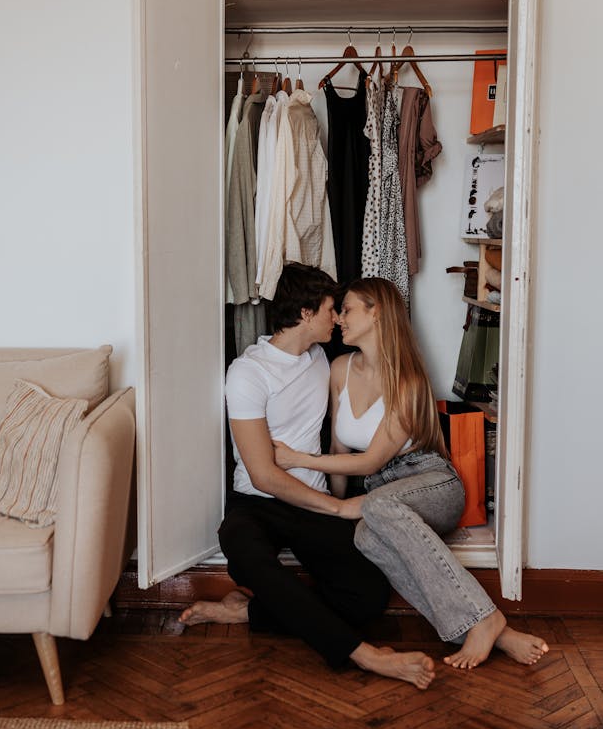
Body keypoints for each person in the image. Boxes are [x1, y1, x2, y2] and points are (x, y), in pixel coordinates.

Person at [179, 263, 437, 689]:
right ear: (304, 313)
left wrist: (332, 503)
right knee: (241, 549)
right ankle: (364, 655)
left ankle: (246, 612)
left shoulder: (322, 359)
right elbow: (263, 474)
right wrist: (337, 508)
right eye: (331, 309)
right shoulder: (248, 373)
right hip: (260, 502)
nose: (337, 318)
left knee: (368, 594)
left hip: (311, 501)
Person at [272, 276, 549, 670]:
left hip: (430, 482)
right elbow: (339, 450)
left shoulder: (408, 381)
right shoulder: (339, 369)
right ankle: (493, 629)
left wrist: (299, 460)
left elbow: (368, 462)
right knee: (367, 535)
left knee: (376, 509)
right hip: (382, 494)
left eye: (347, 309)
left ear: (376, 312)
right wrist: (336, 505)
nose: (338, 319)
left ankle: (485, 620)